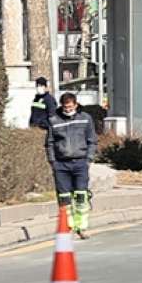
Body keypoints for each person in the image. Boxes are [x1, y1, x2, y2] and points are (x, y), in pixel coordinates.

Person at [46, 92, 97, 240]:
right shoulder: (54, 120)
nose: (68, 109)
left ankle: (81, 227)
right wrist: (53, 162)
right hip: (61, 164)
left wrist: (88, 159)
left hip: (80, 162)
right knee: (64, 198)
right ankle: (67, 227)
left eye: (70, 107)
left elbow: (91, 140)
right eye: (65, 107)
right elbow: (49, 143)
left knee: (81, 196)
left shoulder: (85, 119)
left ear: (75, 104)